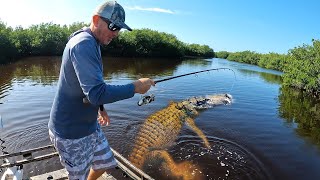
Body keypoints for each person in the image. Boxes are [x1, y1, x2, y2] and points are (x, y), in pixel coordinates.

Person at [48, 1, 155, 180]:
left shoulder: (93, 43)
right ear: (96, 20)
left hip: (89, 125)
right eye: (113, 26)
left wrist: (101, 109)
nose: (116, 33)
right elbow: (96, 93)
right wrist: (136, 87)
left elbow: (93, 86)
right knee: (77, 177)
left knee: (106, 162)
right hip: (71, 132)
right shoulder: (83, 44)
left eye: (119, 29)